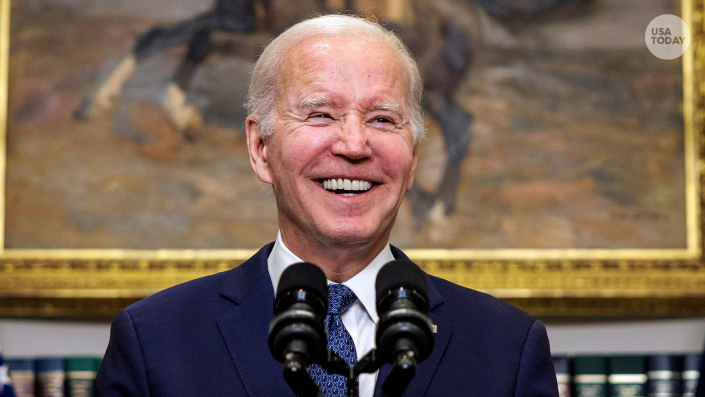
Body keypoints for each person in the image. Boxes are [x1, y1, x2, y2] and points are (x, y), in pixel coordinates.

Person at [97, 14, 558, 397]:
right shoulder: (154, 343)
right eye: (320, 114)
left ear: (413, 159)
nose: (355, 145)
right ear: (260, 148)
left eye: (382, 119)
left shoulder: (508, 349)